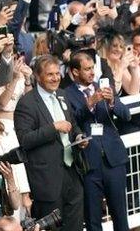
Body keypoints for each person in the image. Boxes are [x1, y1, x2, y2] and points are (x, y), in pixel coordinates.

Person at [14, 55, 89, 231]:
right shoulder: (27, 103)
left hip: (72, 173)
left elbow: (73, 125)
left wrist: (78, 137)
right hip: (47, 180)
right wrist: (53, 128)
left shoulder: (63, 95)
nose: (56, 78)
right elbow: (25, 140)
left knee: (76, 226)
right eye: (50, 74)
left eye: (57, 73)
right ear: (38, 77)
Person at [64, 52, 130, 231]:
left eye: (92, 68)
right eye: (87, 69)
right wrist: (90, 103)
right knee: (93, 218)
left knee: (120, 215)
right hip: (89, 164)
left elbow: (126, 115)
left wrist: (112, 103)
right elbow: (72, 121)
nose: (92, 72)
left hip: (114, 160)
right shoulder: (66, 94)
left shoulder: (105, 86)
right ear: (74, 72)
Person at [98, 29, 140, 95]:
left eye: (121, 47)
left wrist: (134, 69)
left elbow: (133, 91)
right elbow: (109, 93)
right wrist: (121, 68)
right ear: (105, 47)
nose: (118, 50)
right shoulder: (99, 64)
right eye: (114, 46)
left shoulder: (119, 63)